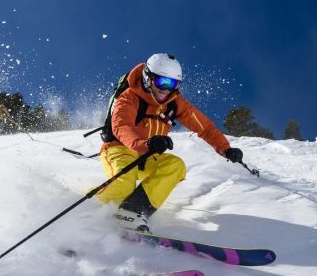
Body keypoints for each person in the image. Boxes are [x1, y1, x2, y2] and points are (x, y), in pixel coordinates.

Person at [99, 52, 244, 231]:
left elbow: (204, 127)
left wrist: (225, 148)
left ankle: (132, 211)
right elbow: (122, 127)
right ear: (147, 78)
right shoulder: (129, 97)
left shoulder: (175, 103)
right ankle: (84, 214)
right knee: (124, 184)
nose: (166, 89)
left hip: (147, 155)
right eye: (162, 82)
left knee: (175, 166)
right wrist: (145, 144)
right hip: (120, 149)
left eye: (173, 84)